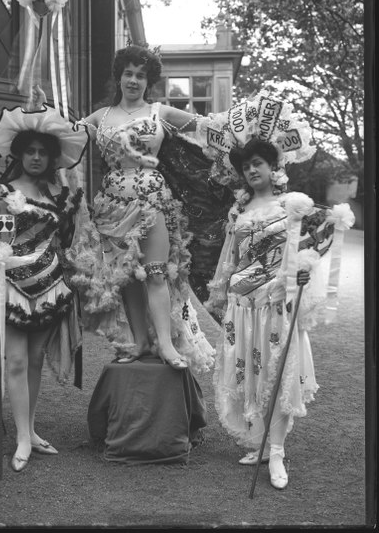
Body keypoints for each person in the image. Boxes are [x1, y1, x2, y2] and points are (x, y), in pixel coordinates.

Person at [0, 100, 90, 472]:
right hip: (10, 284)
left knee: (34, 360)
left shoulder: (60, 195)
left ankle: (30, 430)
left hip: (48, 281)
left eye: (42, 152)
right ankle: (20, 438)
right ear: (19, 153)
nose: (35, 157)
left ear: (51, 158)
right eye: (30, 151)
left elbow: (68, 239)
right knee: (15, 360)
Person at [70, 44, 215, 372]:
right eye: (128, 74)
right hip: (111, 207)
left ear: (148, 81)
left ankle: (164, 343)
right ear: (118, 77)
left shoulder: (160, 112)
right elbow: (62, 139)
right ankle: (139, 342)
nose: (134, 80)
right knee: (127, 278)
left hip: (152, 201)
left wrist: (244, 125)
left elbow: (207, 126)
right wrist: (39, 109)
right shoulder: (98, 118)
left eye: (141, 75)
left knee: (155, 272)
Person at [205, 135, 330, 490]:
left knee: (277, 373)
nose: (251, 171)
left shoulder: (291, 205)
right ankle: (260, 442)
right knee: (251, 374)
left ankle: (276, 451)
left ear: (273, 167)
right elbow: (231, 258)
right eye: (246, 167)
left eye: (257, 163)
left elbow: (311, 245)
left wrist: (304, 270)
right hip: (243, 306)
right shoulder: (239, 211)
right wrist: (225, 293)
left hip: (276, 304)